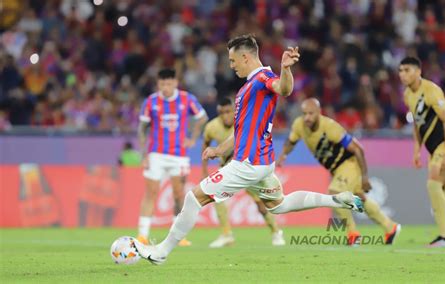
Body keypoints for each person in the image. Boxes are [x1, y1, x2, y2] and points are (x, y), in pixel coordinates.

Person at [134, 34, 363, 264]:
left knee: (194, 199)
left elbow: (283, 89)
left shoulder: (264, 78)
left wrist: (286, 69)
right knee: (278, 205)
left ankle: (160, 252)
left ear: (245, 57)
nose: (231, 66)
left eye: (233, 61)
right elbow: (241, 131)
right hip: (262, 162)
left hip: (248, 163)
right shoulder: (247, 88)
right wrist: (220, 150)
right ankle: (337, 200)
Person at [277, 98, 401, 246]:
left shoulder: (330, 127)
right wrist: (283, 155)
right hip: (336, 170)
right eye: (304, 113)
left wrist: (365, 177)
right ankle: (390, 226)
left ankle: (353, 235)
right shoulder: (299, 125)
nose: (307, 117)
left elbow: (357, 149)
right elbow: (290, 142)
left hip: (348, 164)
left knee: (335, 192)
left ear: (319, 112)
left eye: (311, 113)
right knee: (360, 199)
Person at [399, 56, 445, 247]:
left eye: (407, 70)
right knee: (443, 188)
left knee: (433, 182)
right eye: (400, 70)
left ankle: (444, 237)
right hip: (434, 146)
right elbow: (417, 123)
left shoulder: (431, 90)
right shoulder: (408, 95)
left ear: (418, 71)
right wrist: (416, 151)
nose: (402, 74)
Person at [136, 68, 208, 246]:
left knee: (178, 194)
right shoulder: (151, 101)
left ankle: (177, 236)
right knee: (151, 193)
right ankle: (142, 235)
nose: (165, 87)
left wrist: (192, 137)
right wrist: (144, 154)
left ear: (175, 83)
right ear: (158, 84)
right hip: (156, 154)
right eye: (162, 84)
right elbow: (142, 129)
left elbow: (202, 117)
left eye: (168, 83)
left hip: (179, 155)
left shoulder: (186, 99)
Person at [202, 97, 285, 248]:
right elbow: (205, 144)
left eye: (228, 111)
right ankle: (226, 234)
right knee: (215, 196)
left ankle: (276, 231)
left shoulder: (242, 122)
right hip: (228, 169)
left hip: (247, 168)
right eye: (222, 112)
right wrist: (204, 169)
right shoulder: (211, 127)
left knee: (261, 204)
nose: (225, 115)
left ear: (233, 110)